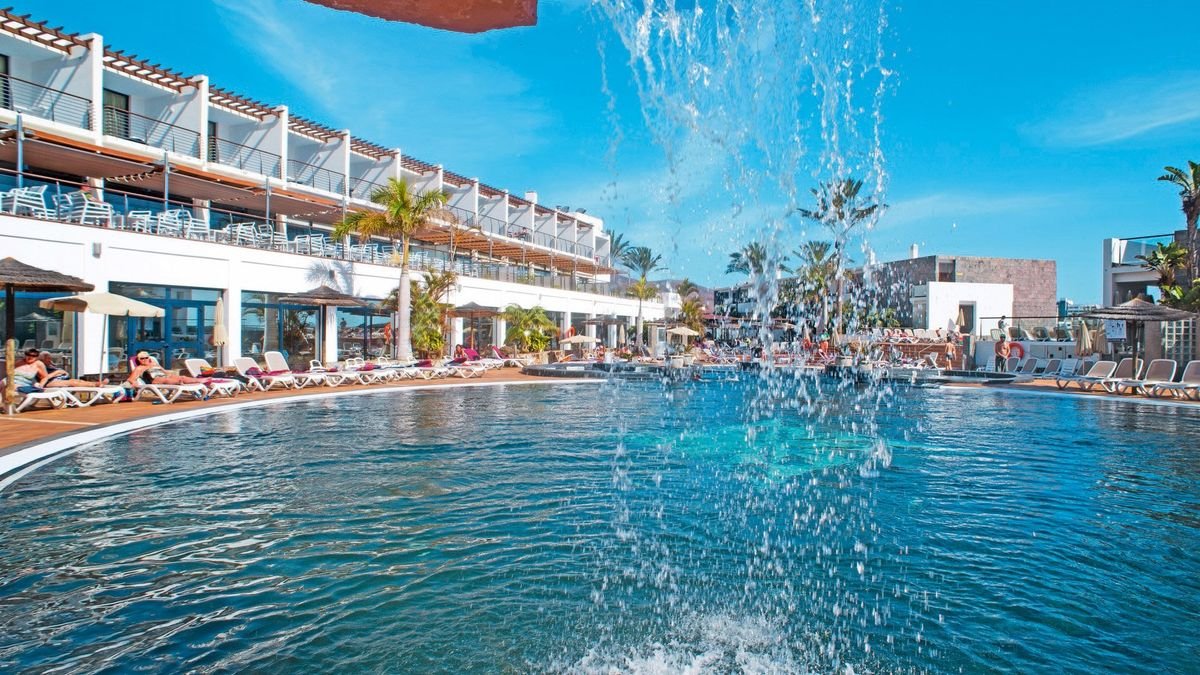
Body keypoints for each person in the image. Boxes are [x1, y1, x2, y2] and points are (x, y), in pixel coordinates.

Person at [124, 351, 209, 388]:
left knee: (182, 377)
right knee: (168, 380)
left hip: (164, 376)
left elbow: (164, 371)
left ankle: (200, 380)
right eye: (142, 358)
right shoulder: (139, 368)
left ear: (149, 358)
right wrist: (134, 383)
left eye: (146, 357)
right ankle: (180, 382)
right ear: (139, 360)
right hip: (155, 380)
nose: (144, 359)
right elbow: (130, 379)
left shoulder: (154, 364)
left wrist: (171, 374)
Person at [37, 351, 108, 388]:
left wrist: (61, 372)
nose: (50, 360)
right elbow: (45, 377)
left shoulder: (50, 365)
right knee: (72, 383)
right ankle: (96, 385)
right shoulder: (40, 366)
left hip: (58, 379)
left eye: (50, 358)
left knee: (77, 381)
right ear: (42, 359)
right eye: (48, 358)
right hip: (49, 383)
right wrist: (57, 372)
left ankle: (97, 383)